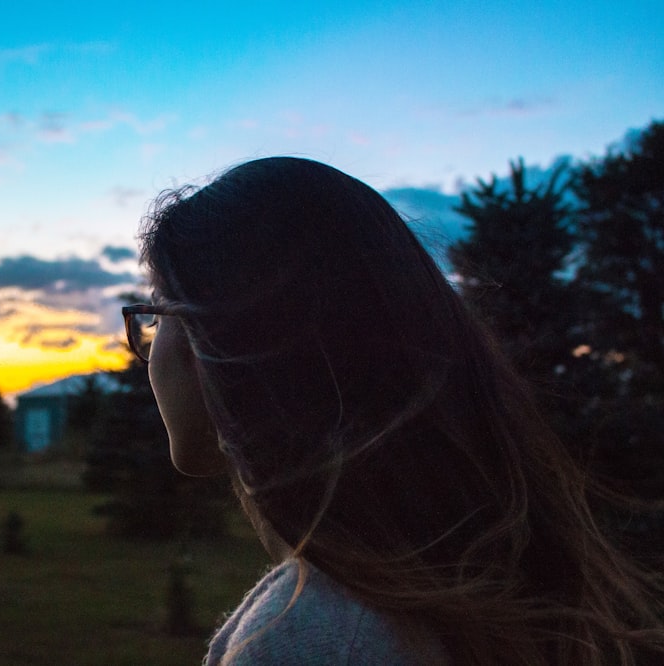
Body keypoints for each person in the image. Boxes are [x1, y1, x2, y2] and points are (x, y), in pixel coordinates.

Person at [121, 157, 664, 665]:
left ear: (218, 344)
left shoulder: (316, 642)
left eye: (156, 313)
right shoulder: (473, 571)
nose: (151, 345)